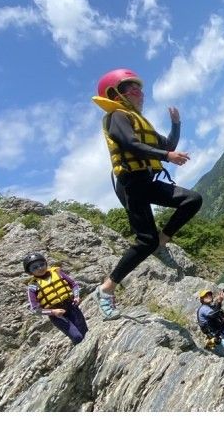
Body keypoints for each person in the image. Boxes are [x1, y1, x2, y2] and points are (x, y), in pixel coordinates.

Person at [92, 68, 202, 320]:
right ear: (115, 94)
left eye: (139, 88)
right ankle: (106, 289)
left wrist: (176, 124)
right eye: (132, 88)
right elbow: (131, 144)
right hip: (131, 184)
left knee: (192, 200)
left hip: (146, 181)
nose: (140, 93)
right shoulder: (116, 116)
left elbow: (169, 145)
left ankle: (162, 241)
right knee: (145, 240)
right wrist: (166, 157)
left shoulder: (138, 120)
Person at [22, 252, 88, 345]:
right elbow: (35, 309)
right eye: (35, 267)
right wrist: (53, 312)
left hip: (72, 307)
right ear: (30, 272)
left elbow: (74, 285)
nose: (40, 268)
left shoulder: (57, 272)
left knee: (84, 332)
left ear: (46, 263)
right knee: (77, 337)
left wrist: (76, 296)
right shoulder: (33, 286)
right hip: (58, 316)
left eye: (42, 264)